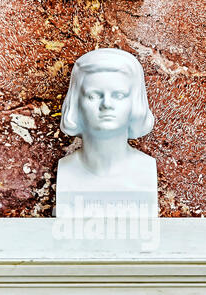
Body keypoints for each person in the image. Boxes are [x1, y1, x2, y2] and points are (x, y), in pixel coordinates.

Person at [56, 48, 157, 218]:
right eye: (94, 96)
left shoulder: (145, 172)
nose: (107, 104)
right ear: (77, 104)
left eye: (118, 95)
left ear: (134, 103)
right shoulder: (67, 171)